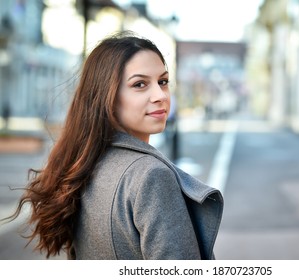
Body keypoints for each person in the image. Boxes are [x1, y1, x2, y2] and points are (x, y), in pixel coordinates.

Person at [5, 31, 224, 260]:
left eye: (163, 81)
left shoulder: (88, 164)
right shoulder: (151, 176)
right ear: (106, 95)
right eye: (140, 84)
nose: (160, 95)